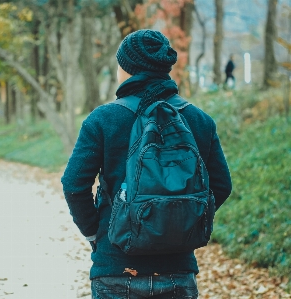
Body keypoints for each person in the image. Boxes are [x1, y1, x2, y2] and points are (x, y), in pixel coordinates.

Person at [61, 29, 232, 299]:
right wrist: (182, 222)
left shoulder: (104, 119)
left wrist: (96, 234)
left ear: (127, 69)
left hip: (116, 268)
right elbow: (221, 185)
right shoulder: (199, 120)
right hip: (178, 272)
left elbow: (73, 184)